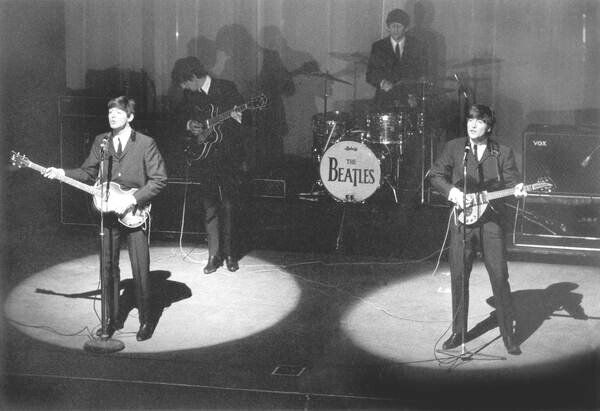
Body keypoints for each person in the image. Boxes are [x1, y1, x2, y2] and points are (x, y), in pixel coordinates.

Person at [43, 96, 168, 341]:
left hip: (134, 212)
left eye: (118, 113)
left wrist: (132, 200)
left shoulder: (145, 143)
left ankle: (146, 321)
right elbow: (88, 172)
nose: (112, 116)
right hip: (106, 215)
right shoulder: (102, 141)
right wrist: (61, 172)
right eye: (110, 112)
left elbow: (159, 179)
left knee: (140, 268)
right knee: (108, 267)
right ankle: (110, 319)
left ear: (130, 117)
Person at [428, 104, 526, 355]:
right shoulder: (454, 147)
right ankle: (458, 333)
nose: (472, 124)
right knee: (459, 276)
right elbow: (436, 175)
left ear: (489, 126)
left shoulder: (502, 151)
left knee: (499, 276)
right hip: (462, 221)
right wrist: (453, 193)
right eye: (470, 119)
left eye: (479, 121)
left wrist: (518, 189)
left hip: (491, 222)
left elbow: (513, 182)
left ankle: (508, 335)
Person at [171, 56, 245, 274]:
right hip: (203, 157)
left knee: (229, 205)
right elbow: (177, 117)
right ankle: (214, 255)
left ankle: (230, 254)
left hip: (228, 156)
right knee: (209, 206)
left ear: (193, 77)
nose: (183, 87)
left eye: (185, 82)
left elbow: (244, 123)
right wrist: (189, 124)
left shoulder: (227, 88)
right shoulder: (189, 94)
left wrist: (234, 119)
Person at [366, 8, 428, 111]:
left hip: (409, 100)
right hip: (384, 100)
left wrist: (416, 93)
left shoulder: (417, 46)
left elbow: (422, 73)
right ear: (388, 28)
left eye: (399, 26)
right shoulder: (378, 46)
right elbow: (370, 75)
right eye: (392, 26)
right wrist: (382, 83)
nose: (395, 29)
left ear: (406, 28)